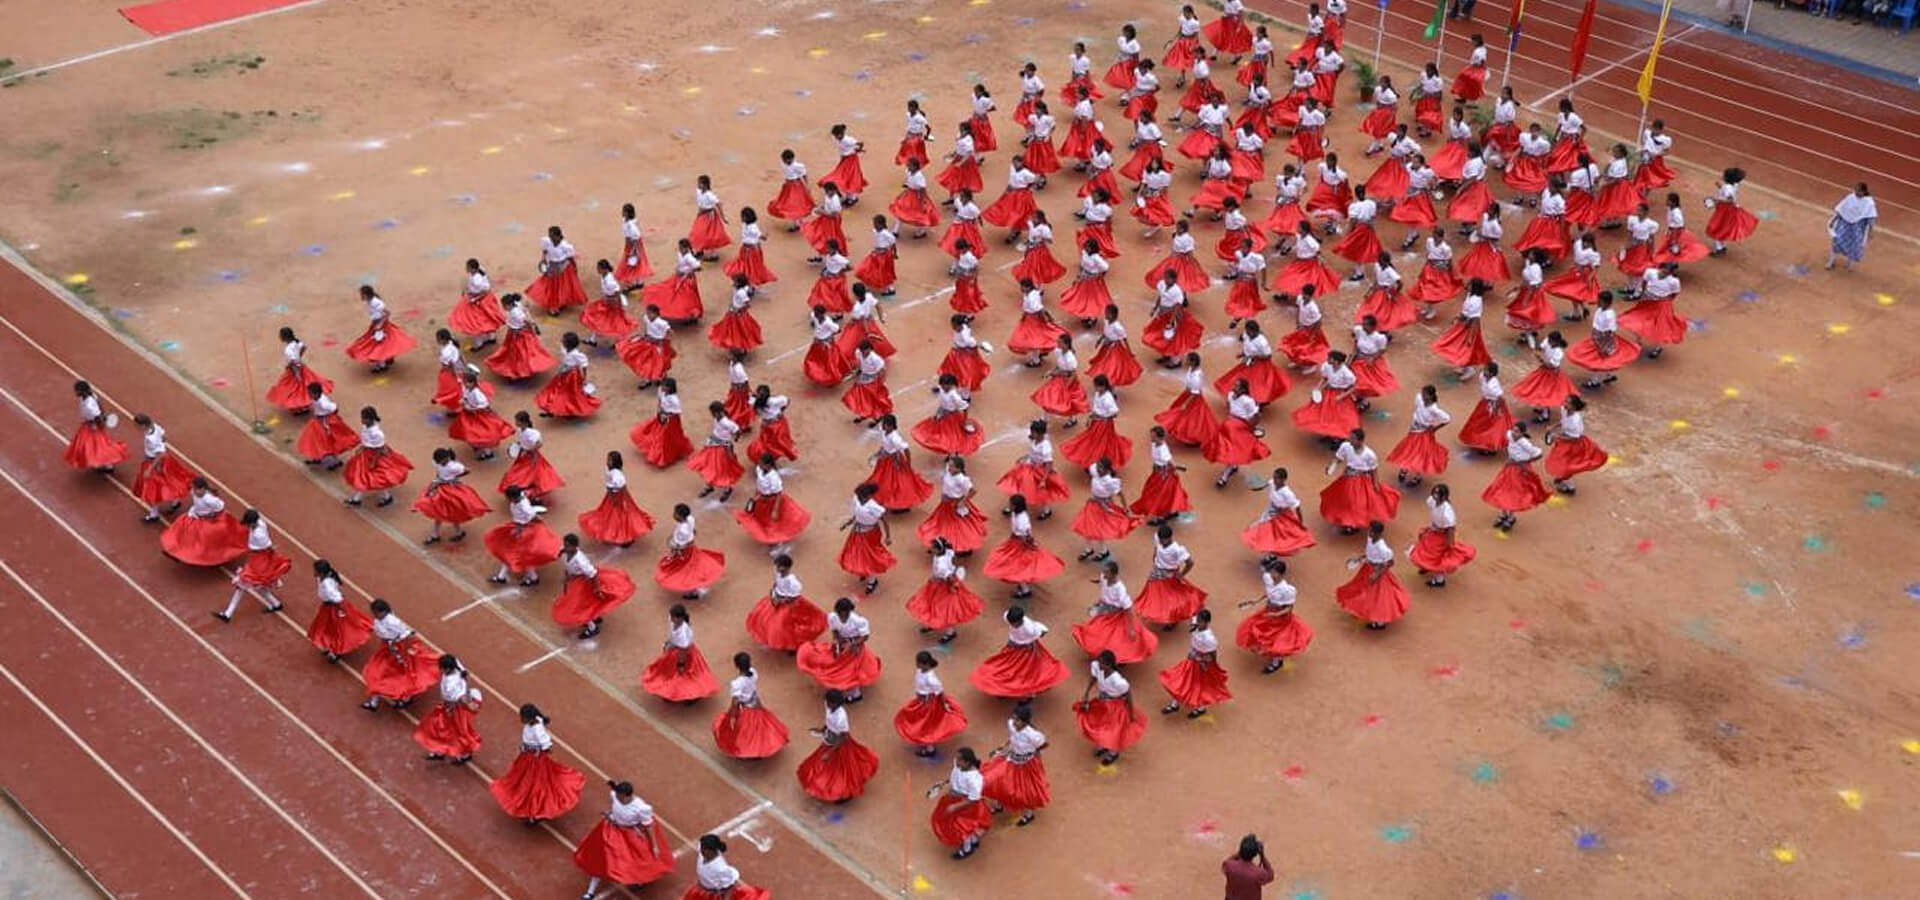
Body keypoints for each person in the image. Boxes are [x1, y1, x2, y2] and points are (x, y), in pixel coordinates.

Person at [573, 780, 675, 897]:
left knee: (637, 861)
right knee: (600, 859)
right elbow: (614, 805)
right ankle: (590, 892)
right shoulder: (615, 795)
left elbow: (648, 826)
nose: (617, 798)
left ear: (627, 796)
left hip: (629, 836)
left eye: (619, 796)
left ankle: (640, 879)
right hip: (610, 831)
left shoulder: (641, 808)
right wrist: (610, 814)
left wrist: (654, 845)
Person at [489, 704, 585, 824]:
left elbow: (547, 746)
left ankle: (534, 813)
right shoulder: (534, 722)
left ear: (529, 718)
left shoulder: (537, 728)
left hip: (534, 761)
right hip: (527, 758)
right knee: (525, 782)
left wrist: (536, 751)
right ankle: (532, 810)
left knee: (533, 786)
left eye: (523, 717)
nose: (521, 720)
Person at [796, 689, 881, 802]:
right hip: (831, 739)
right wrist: (822, 729)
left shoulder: (841, 717)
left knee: (843, 771)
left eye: (829, 702)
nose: (827, 703)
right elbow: (828, 721)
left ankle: (845, 793)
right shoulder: (828, 705)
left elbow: (844, 737)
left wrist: (830, 752)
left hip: (840, 744)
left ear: (836, 703)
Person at [971, 605, 1071, 699]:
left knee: (1027, 673)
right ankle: (1004, 689)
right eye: (1011, 623)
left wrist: (1032, 641)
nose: (1012, 625)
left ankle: (1024, 690)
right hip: (1013, 646)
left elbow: (1042, 631)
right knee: (1005, 667)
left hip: (1026, 651)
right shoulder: (1008, 617)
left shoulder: (1030, 629)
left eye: (1014, 623)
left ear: (1020, 620)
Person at [1236, 557, 1314, 672]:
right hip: (1268, 612)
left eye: (1274, 572)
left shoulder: (1288, 590)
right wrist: (1256, 600)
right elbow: (1269, 593)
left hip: (1280, 618)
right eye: (1271, 571)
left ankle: (1276, 663)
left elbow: (1289, 608)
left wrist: (1276, 615)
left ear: (1280, 574)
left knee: (1277, 641)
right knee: (1257, 629)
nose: (1271, 574)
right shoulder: (1268, 579)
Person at [1072, 561, 1159, 663]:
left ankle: (1116, 658)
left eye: (1106, 573)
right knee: (1099, 632)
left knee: (1114, 639)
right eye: (1103, 572)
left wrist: (1131, 628)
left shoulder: (1120, 589)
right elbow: (1102, 584)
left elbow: (1128, 608)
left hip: (1116, 616)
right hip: (1104, 611)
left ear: (1113, 574)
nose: (1103, 574)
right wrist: (1098, 585)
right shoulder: (1103, 578)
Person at [797, 597, 883, 700]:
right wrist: (837, 640)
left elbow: (865, 636)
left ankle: (856, 694)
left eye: (841, 612)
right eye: (838, 612)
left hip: (854, 647)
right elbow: (835, 630)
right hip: (842, 644)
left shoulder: (858, 621)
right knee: (836, 663)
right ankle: (845, 687)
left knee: (852, 671)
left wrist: (852, 644)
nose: (839, 614)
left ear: (848, 611)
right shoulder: (833, 616)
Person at [984, 494, 1067, 600]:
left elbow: (1025, 535)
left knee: (1017, 567)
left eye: (1011, 503)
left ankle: (1025, 590)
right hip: (1016, 541)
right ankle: (1024, 588)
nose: (1009, 504)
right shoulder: (1016, 514)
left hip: (1020, 544)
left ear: (1015, 505)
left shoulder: (1022, 518)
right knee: (1017, 566)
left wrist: (1028, 545)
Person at [361, 599, 440, 709]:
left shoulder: (392, 621)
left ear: (383, 611)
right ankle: (374, 701)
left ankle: (405, 698)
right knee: (378, 672)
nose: (374, 614)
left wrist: (402, 652)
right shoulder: (379, 620)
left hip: (396, 649)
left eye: (376, 612)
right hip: (387, 649)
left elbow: (406, 634)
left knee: (402, 675)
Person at [554, 533, 634, 639]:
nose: (565, 547)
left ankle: (592, 628)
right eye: (565, 544)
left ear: (574, 546)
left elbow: (593, 574)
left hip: (584, 582)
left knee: (580, 606)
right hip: (576, 581)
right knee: (585, 604)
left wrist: (597, 588)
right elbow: (567, 565)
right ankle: (594, 618)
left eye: (567, 545)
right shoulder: (564, 552)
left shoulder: (580, 560)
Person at [215, 509, 289, 621]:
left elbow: (267, 547)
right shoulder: (260, 524)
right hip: (257, 558)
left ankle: (228, 614)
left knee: (242, 584)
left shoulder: (259, 534)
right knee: (258, 585)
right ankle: (276, 604)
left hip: (259, 560)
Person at [1074, 650, 1147, 764]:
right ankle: (1103, 746)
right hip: (1102, 701)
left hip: (1115, 706)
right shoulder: (1096, 666)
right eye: (1099, 661)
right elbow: (1093, 678)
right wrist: (1086, 693)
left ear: (1108, 665)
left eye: (1101, 662)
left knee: (1113, 730)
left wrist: (1131, 713)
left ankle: (1113, 753)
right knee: (1100, 725)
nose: (1098, 664)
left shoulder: (1118, 680)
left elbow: (1128, 695)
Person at [1335, 521, 1411, 630]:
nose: (1369, 532)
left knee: (1378, 598)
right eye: (1369, 530)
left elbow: (1390, 563)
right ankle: (1363, 610)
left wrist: (1377, 574)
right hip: (1367, 568)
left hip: (1378, 572)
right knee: (1361, 589)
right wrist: (1360, 558)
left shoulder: (1383, 548)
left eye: (1371, 531)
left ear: (1378, 533)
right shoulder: (1370, 539)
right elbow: (1369, 553)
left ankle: (1380, 622)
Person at [713, 653, 788, 759]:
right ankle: (759, 750)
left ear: (737, 666)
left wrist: (732, 715)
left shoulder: (737, 683)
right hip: (755, 703)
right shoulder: (753, 672)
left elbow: (735, 702)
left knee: (744, 733)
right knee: (758, 729)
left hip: (745, 709)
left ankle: (749, 752)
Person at [745, 553, 826, 651]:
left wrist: (779, 601)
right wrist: (773, 594)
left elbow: (794, 598)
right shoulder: (778, 573)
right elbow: (776, 583)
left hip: (789, 606)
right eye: (777, 566)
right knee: (764, 619)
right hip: (776, 598)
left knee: (785, 627)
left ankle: (793, 646)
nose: (777, 568)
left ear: (787, 568)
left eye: (780, 566)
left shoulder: (793, 582)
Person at [160, 478, 249, 567]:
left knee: (206, 540)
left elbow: (220, 509)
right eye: (193, 488)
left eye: (196, 489)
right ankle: (174, 551)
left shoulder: (210, 500)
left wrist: (211, 517)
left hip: (208, 520)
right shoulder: (194, 492)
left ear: (203, 489)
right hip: (195, 515)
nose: (194, 491)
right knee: (181, 527)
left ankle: (213, 558)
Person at [485, 486, 563, 586]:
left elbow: (533, 517)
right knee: (513, 553)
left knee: (521, 555)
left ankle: (531, 578)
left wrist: (521, 529)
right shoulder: (520, 498)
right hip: (520, 528)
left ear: (513, 497)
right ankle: (503, 577)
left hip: (524, 531)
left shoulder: (523, 506)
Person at [640, 604, 717, 703]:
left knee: (682, 676)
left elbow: (683, 651)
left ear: (680, 618)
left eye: (673, 617)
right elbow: (673, 636)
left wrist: (681, 665)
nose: (671, 618)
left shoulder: (683, 634)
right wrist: (668, 643)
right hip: (676, 651)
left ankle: (690, 696)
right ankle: (672, 694)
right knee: (674, 675)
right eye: (671, 616)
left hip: (683, 656)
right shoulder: (673, 621)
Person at [414, 654, 482, 765]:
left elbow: (459, 698)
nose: (440, 669)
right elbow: (458, 663)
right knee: (440, 727)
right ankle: (440, 750)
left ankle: (465, 754)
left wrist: (462, 705)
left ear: (447, 668)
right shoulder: (457, 668)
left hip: (454, 709)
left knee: (457, 730)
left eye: (442, 668)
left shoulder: (451, 683)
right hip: (450, 707)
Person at [1136, 526, 1208, 629]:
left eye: (1163, 540)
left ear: (1170, 538)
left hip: (1169, 577)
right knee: (1157, 595)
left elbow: (1190, 563)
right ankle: (1162, 614)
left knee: (1171, 599)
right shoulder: (1158, 538)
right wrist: (1155, 555)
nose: (1161, 542)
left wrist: (1181, 574)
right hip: (1156, 573)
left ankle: (1172, 620)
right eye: (1160, 539)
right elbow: (1156, 546)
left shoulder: (1177, 550)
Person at [1483, 422, 1550, 531]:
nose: (1514, 433)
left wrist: (1525, 462)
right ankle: (1504, 514)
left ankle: (1510, 517)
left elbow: (1539, 454)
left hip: (1519, 471)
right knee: (1503, 490)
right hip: (1510, 468)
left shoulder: (1525, 443)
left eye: (1517, 431)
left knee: (1512, 494)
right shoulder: (1509, 434)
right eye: (1514, 430)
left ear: (1522, 433)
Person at [342, 406, 412, 508]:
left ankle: (359, 499)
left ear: (369, 419)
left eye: (363, 418)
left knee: (370, 478)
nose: (361, 420)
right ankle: (362, 498)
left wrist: (373, 462)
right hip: (366, 454)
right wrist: (362, 448)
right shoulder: (366, 427)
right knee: (367, 478)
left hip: (374, 456)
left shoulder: (377, 433)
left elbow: (379, 448)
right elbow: (366, 441)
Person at [930, 747, 993, 859]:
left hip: (967, 806)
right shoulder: (958, 765)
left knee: (962, 828)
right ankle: (973, 841)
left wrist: (955, 806)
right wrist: (943, 783)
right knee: (962, 827)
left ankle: (967, 849)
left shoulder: (975, 779)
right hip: (953, 799)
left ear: (967, 762)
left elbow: (974, 799)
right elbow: (954, 776)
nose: (956, 761)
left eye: (959, 760)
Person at [131, 414, 195, 522]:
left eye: (136, 425)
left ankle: (154, 514)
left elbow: (160, 454)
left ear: (142, 425)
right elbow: (164, 438)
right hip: (164, 461)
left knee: (150, 489)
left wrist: (150, 469)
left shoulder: (149, 438)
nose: (135, 427)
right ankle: (175, 502)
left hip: (154, 462)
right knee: (170, 481)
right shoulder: (155, 426)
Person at [1409, 484, 1475, 587]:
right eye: (1434, 492)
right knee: (1425, 548)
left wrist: (1450, 544)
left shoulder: (1447, 512)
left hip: (1442, 535)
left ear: (1443, 497)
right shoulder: (1432, 501)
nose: (1434, 495)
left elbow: (1450, 529)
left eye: (1437, 493)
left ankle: (1439, 580)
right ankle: (1426, 566)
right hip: (1433, 530)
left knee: (1438, 557)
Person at [918, 457, 989, 554]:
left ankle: (963, 546)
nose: (949, 467)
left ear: (959, 469)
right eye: (949, 465)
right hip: (945, 504)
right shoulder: (949, 471)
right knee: (943, 524)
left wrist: (963, 501)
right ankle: (942, 543)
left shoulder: (962, 479)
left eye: (952, 466)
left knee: (958, 527)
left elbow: (973, 491)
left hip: (955, 505)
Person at [655, 504, 727, 599]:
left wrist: (675, 550)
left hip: (684, 552)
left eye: (675, 513)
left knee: (686, 571)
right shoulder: (690, 519)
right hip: (690, 549)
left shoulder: (683, 530)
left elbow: (680, 545)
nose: (673, 515)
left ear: (680, 516)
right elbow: (694, 531)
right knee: (692, 567)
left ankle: (694, 591)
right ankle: (697, 587)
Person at [305, 559, 371, 662]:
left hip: (334, 608)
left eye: (315, 570)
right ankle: (329, 646)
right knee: (328, 628)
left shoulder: (327, 584)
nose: (313, 572)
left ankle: (335, 652)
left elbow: (338, 598)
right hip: (328, 607)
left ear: (321, 572)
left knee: (336, 630)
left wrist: (341, 610)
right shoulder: (323, 578)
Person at [1241, 467, 1315, 556]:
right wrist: (1253, 487)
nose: (1274, 480)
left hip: (1281, 516)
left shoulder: (1288, 493)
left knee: (1277, 536)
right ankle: (1270, 552)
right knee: (1261, 528)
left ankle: (1272, 556)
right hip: (1270, 510)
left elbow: (1297, 507)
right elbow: (1263, 486)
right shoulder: (1272, 482)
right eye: (1274, 477)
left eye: (1277, 478)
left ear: (1283, 479)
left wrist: (1300, 523)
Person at [838, 483, 897, 594]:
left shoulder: (874, 506)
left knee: (870, 558)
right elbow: (857, 515)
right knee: (859, 554)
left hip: (870, 534)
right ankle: (865, 573)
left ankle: (872, 582)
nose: (859, 497)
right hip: (858, 532)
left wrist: (888, 536)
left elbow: (884, 521)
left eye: (861, 495)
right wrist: (848, 523)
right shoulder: (858, 499)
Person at [63, 380, 126, 473]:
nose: (75, 392)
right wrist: (103, 415)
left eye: (76, 391)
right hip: (89, 425)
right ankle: (104, 463)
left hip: (93, 426)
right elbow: (99, 405)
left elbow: (97, 416)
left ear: (82, 391)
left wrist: (100, 424)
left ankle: (108, 465)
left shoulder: (89, 405)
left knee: (97, 446)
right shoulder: (86, 397)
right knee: (96, 445)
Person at [682, 834, 771, 900]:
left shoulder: (720, 869)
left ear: (711, 851)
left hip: (712, 895)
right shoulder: (703, 852)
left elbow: (729, 888)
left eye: (703, 849)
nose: (701, 850)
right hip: (701, 889)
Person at [266, 326, 331, 415]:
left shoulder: (288, 350)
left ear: (284, 337)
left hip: (294, 370)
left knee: (293, 389)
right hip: (301, 367)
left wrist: (297, 374)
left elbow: (293, 362)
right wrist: (299, 357)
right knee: (303, 388)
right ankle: (303, 406)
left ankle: (300, 408)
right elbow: (303, 347)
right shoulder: (297, 342)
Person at [525, 226, 589, 314]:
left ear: (558, 236)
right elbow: (545, 251)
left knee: (561, 288)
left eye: (552, 236)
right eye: (550, 236)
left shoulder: (565, 246)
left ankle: (557, 305)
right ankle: (556, 305)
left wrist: (574, 269)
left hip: (564, 269)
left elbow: (571, 259)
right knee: (553, 288)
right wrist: (543, 259)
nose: (551, 238)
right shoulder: (547, 241)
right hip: (552, 266)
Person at [1827, 183, 1877, 270]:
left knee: (1854, 245)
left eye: (1858, 191)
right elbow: (1841, 209)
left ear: (1864, 191)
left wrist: (1871, 230)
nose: (1856, 192)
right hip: (1844, 223)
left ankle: (1849, 263)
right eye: (1856, 190)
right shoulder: (1850, 197)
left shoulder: (1869, 203)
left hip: (1857, 226)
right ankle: (1831, 261)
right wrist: (1833, 220)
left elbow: (1871, 217)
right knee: (1836, 241)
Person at [1223, 834, 1276, 900]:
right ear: (1255, 854)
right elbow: (1270, 875)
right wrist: (1262, 856)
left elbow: (1227, 862)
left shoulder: (1229, 865)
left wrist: (1241, 852)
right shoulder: (1258, 873)